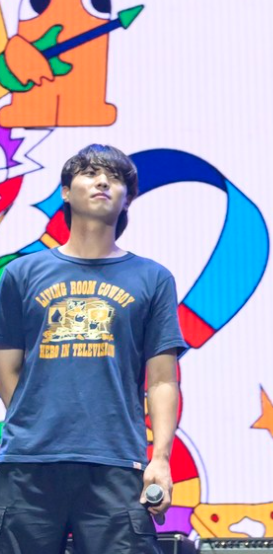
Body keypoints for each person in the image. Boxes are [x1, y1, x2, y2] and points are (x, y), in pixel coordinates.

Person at [0, 144, 184, 552]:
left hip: (116, 460)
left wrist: (161, 458)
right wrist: (36, 419)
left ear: (127, 199)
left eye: (115, 178)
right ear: (66, 192)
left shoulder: (153, 278)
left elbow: (162, 380)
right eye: (89, 173)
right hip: (29, 463)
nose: (102, 182)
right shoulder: (21, 273)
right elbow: (6, 366)